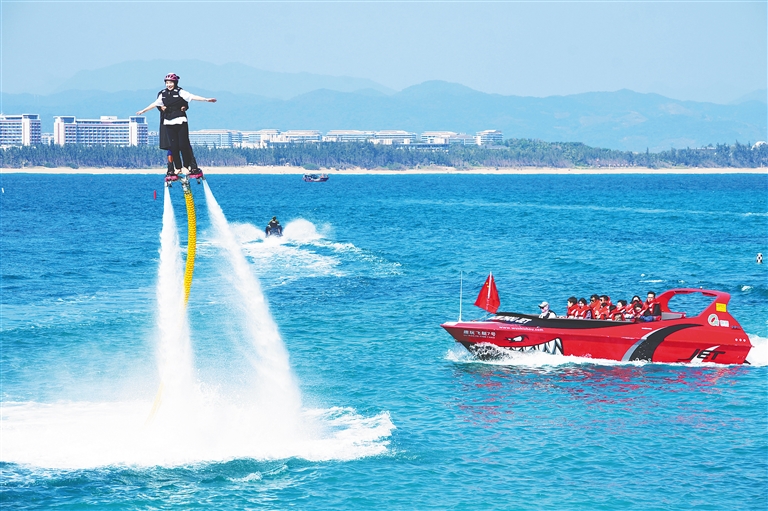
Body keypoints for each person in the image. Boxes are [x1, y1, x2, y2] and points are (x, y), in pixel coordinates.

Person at [136, 73, 216, 179]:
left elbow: (192, 97)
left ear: (175, 83)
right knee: (173, 147)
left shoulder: (180, 92)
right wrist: (143, 111)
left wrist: (206, 99)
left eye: (171, 83)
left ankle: (186, 166)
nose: (169, 85)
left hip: (181, 121)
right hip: (168, 122)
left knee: (183, 145)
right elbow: (155, 104)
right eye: (167, 83)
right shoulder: (163, 94)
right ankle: (177, 168)